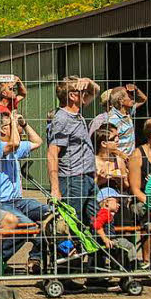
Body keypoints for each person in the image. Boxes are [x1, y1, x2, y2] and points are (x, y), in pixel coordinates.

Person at [0, 110, 46, 272]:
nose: (17, 125)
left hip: (17, 200)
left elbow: (38, 141)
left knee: (49, 214)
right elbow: (14, 144)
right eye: (13, 124)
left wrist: (24, 124)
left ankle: (35, 258)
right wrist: (11, 119)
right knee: (27, 226)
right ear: (3, 129)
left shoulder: (14, 146)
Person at [47, 76, 102, 230]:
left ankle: (93, 253)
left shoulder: (76, 114)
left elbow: (95, 91)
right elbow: (52, 154)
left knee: (96, 221)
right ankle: (66, 253)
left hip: (88, 178)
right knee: (72, 224)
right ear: (72, 96)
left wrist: (88, 82)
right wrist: (55, 188)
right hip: (73, 180)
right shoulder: (62, 119)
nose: (87, 94)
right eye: (83, 92)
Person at [127, 118, 151, 265]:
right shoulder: (138, 155)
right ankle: (146, 261)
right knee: (150, 216)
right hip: (141, 200)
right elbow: (135, 189)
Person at [92, 188, 140, 269]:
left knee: (123, 245)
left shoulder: (103, 213)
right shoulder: (105, 213)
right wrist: (105, 239)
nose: (119, 204)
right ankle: (133, 265)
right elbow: (97, 225)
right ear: (106, 202)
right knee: (129, 245)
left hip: (109, 239)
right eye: (116, 202)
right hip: (110, 240)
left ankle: (122, 265)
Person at [108, 84, 147, 158]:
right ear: (121, 101)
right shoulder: (113, 119)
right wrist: (122, 155)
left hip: (129, 157)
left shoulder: (128, 112)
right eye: (129, 96)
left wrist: (136, 89)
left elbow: (143, 99)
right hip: (119, 159)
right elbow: (107, 142)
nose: (133, 98)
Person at [94, 124, 129, 190]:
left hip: (115, 195)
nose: (117, 140)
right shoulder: (92, 161)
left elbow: (126, 186)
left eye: (118, 137)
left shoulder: (118, 160)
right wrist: (100, 181)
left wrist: (120, 181)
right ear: (104, 144)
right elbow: (86, 186)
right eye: (113, 138)